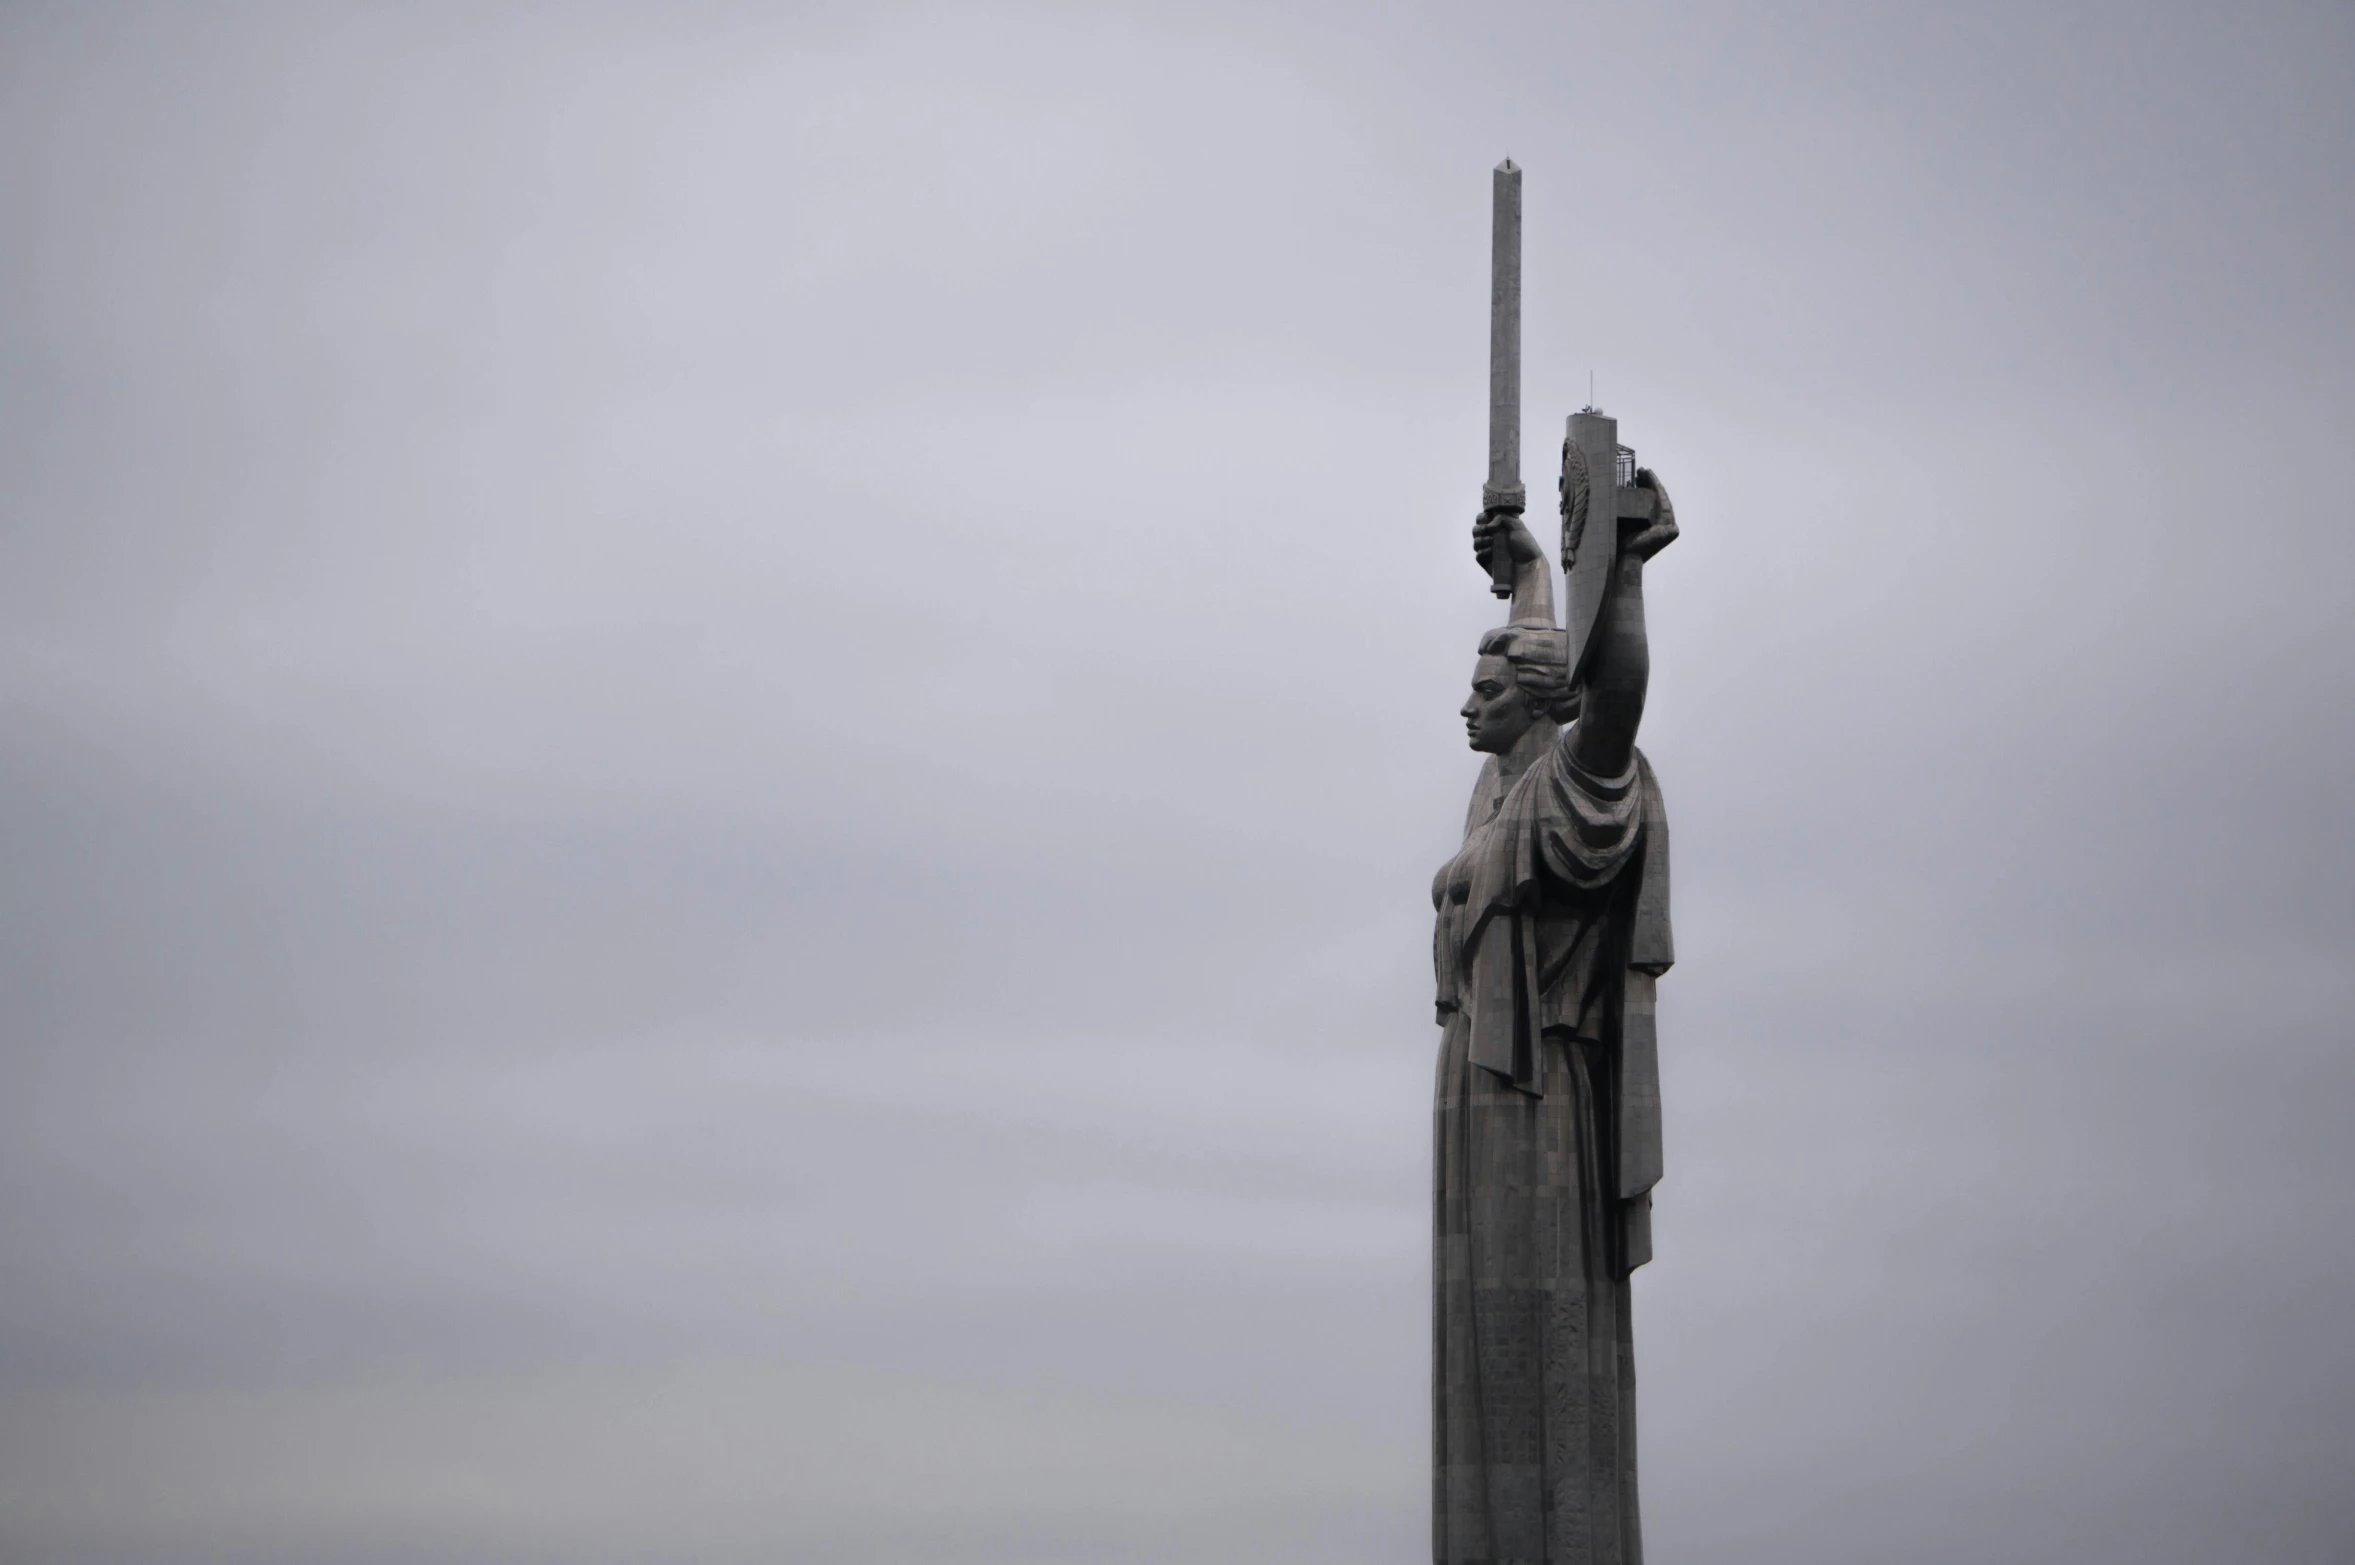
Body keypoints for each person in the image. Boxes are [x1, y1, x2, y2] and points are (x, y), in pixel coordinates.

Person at [1431, 472, 1678, 1564]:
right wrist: (1534, 568)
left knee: (1541, 1345)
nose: (1464, 705)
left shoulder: (1569, 794)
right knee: (1478, 1360)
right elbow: (1544, 652)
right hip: (1476, 1097)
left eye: (1485, 690)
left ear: (1535, 703)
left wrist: (1619, 573)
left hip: (1537, 1103)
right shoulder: (1498, 790)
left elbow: (1609, 700)